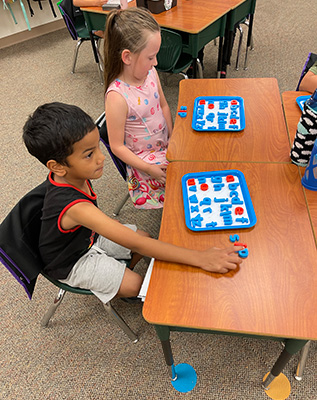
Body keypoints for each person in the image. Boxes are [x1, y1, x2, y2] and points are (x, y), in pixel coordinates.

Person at [22, 102, 243, 304]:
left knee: (145, 237)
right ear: (58, 167)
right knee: (136, 283)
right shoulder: (75, 207)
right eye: (89, 155)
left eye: (98, 147)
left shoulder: (70, 174)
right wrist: (200, 257)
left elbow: (138, 241)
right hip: (71, 262)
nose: (101, 158)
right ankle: (124, 287)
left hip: (86, 237)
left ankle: (118, 274)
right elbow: (137, 245)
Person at [104, 8, 173, 209]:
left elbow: (163, 105)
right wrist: (149, 169)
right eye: (151, 57)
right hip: (144, 163)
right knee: (186, 183)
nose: (156, 63)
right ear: (127, 57)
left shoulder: (150, 73)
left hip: (165, 145)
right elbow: (117, 146)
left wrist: (173, 136)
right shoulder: (117, 97)